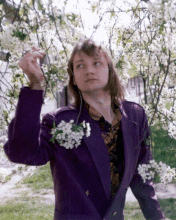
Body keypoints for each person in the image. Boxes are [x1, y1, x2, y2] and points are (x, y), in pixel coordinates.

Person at [4, 39, 165, 220]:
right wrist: (35, 84)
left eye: (96, 63)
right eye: (80, 66)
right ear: (73, 76)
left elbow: (142, 177)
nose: (89, 70)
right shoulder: (59, 121)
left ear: (110, 70)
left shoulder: (135, 116)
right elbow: (22, 153)